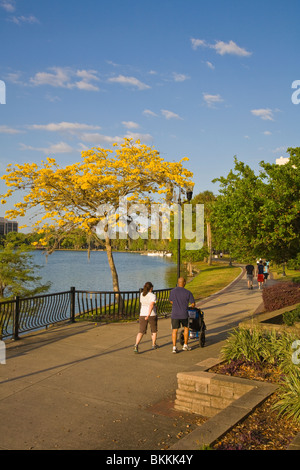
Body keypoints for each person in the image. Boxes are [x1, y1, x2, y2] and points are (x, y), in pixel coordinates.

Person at [169, 277, 195, 353]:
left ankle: (174, 347)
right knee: (186, 328)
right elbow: (193, 304)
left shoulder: (173, 291)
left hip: (175, 314)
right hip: (184, 313)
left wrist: (176, 303)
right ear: (184, 283)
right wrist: (190, 306)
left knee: (174, 330)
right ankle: (185, 345)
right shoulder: (188, 292)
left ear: (178, 282)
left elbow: (171, 301)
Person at [134, 282, 157, 353]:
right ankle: (153, 344)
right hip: (151, 315)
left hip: (142, 314)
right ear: (151, 288)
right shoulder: (153, 295)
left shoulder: (141, 294)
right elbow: (151, 305)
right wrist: (148, 314)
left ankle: (136, 344)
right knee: (154, 330)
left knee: (141, 331)